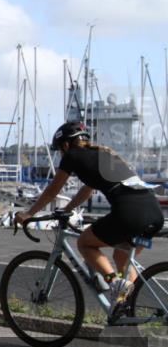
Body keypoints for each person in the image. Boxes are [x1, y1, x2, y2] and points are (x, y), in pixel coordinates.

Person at [16, 122, 164, 306]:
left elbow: (53, 190)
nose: (61, 154)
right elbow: (87, 190)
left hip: (130, 215)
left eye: (60, 150)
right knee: (122, 256)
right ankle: (127, 308)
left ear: (66, 144)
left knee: (85, 243)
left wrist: (29, 213)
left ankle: (115, 283)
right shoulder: (103, 155)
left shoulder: (72, 155)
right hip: (154, 215)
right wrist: (67, 209)